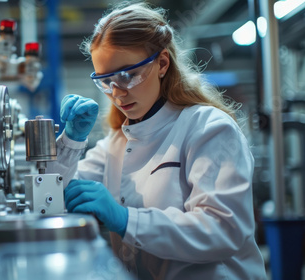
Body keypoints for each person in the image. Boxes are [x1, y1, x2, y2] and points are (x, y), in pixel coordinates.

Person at [46, 2, 267, 279]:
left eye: (127, 75)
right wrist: (71, 141)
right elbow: (51, 199)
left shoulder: (209, 128)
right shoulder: (117, 143)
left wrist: (127, 220)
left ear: (162, 63)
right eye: (105, 80)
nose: (117, 93)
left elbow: (223, 230)